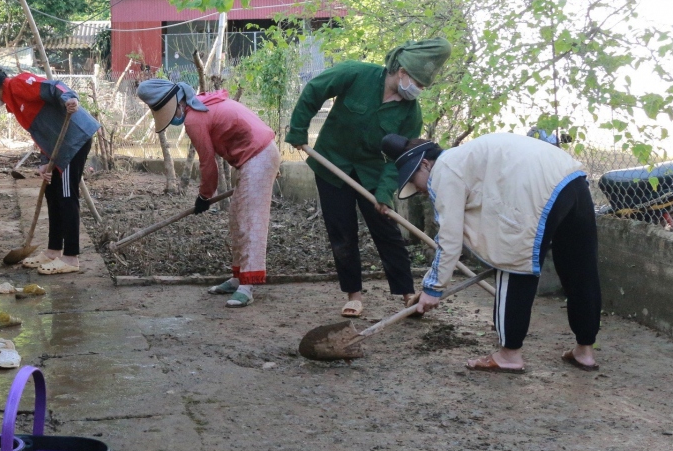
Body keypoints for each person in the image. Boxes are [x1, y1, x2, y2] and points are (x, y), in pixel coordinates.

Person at [383, 132, 601, 374]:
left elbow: (449, 237)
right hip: (571, 178)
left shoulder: (444, 170)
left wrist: (434, 287)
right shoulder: (466, 158)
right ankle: (585, 352)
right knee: (580, 268)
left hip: (536, 188)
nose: (418, 189)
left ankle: (509, 355)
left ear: (425, 164)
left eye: (413, 180)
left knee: (512, 263)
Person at [284, 38, 452, 318]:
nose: (418, 91)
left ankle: (407, 293)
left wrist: (385, 192)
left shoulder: (411, 113)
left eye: (423, 87)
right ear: (402, 72)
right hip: (332, 164)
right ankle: (354, 295)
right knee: (342, 231)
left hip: (374, 173)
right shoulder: (355, 73)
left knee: (387, 231)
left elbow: (400, 161)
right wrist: (298, 131)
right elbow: (315, 90)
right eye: (418, 83)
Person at [136, 79, 280, 308]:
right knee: (237, 220)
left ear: (175, 104)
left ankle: (247, 286)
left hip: (259, 156)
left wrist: (204, 196)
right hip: (252, 159)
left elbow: (207, 164)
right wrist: (205, 194)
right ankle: (237, 278)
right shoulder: (199, 105)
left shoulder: (195, 117)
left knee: (250, 221)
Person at [0, 63, 100, 275]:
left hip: (74, 139)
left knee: (67, 195)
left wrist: (69, 99)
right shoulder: (14, 103)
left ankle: (70, 257)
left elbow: (54, 87)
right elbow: (42, 132)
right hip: (58, 147)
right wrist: (44, 161)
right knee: (52, 192)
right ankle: (53, 251)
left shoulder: (18, 84)